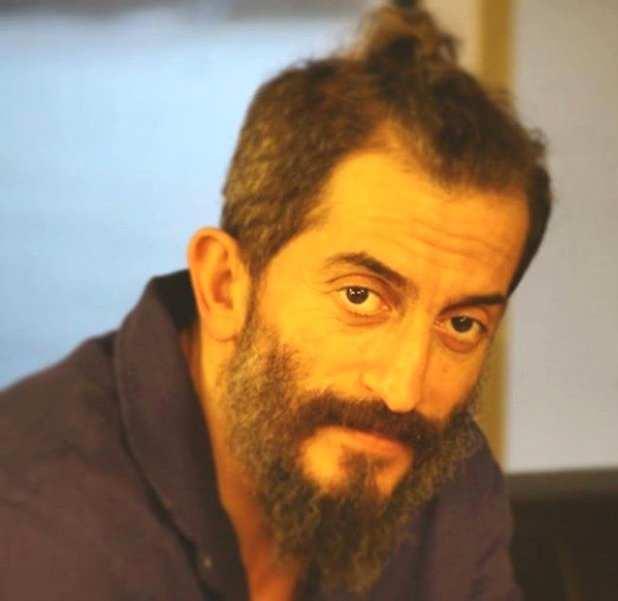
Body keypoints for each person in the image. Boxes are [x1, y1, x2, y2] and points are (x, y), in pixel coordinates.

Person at [0, 5, 552, 600]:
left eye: (462, 324)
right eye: (361, 296)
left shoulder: (437, 480)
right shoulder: (39, 529)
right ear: (224, 286)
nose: (403, 390)